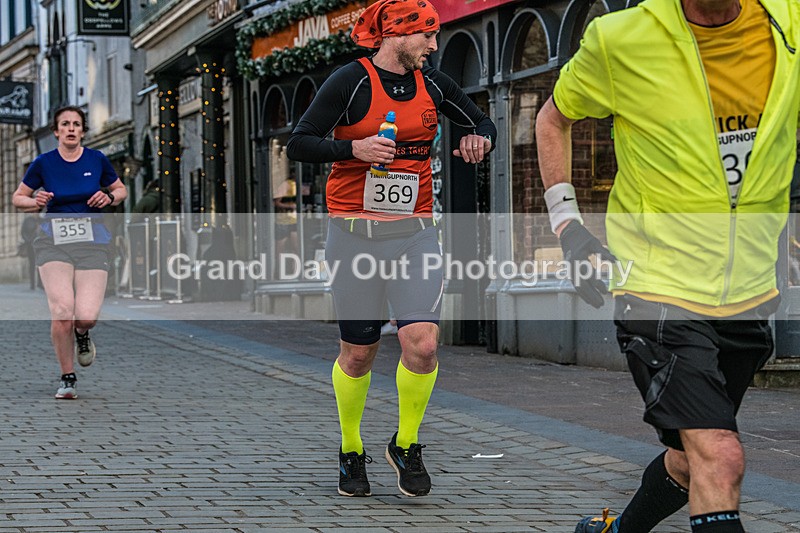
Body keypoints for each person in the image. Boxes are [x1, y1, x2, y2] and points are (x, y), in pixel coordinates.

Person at [536, 0, 800, 532]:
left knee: (692, 457)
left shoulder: (790, 24)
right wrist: (568, 228)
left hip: (748, 291)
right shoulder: (620, 40)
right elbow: (553, 117)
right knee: (721, 457)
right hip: (655, 289)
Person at [287, 0, 496, 498]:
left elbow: (483, 123)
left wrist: (478, 139)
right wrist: (351, 148)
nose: (433, 44)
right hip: (354, 237)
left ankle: (406, 444)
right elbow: (300, 143)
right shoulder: (350, 81)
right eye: (427, 34)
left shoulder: (435, 84)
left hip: (415, 234)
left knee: (422, 343)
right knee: (358, 355)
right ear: (397, 35)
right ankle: (351, 448)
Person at [12, 105, 127, 400]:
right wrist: (36, 200)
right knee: (62, 311)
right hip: (53, 242)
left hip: (92, 242)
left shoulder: (97, 159)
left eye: (76, 124)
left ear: (83, 131)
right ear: (57, 131)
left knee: (85, 316)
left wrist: (110, 196)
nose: (71, 128)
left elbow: (121, 189)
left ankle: (82, 334)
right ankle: (67, 378)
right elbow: (18, 197)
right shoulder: (43, 162)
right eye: (65, 124)